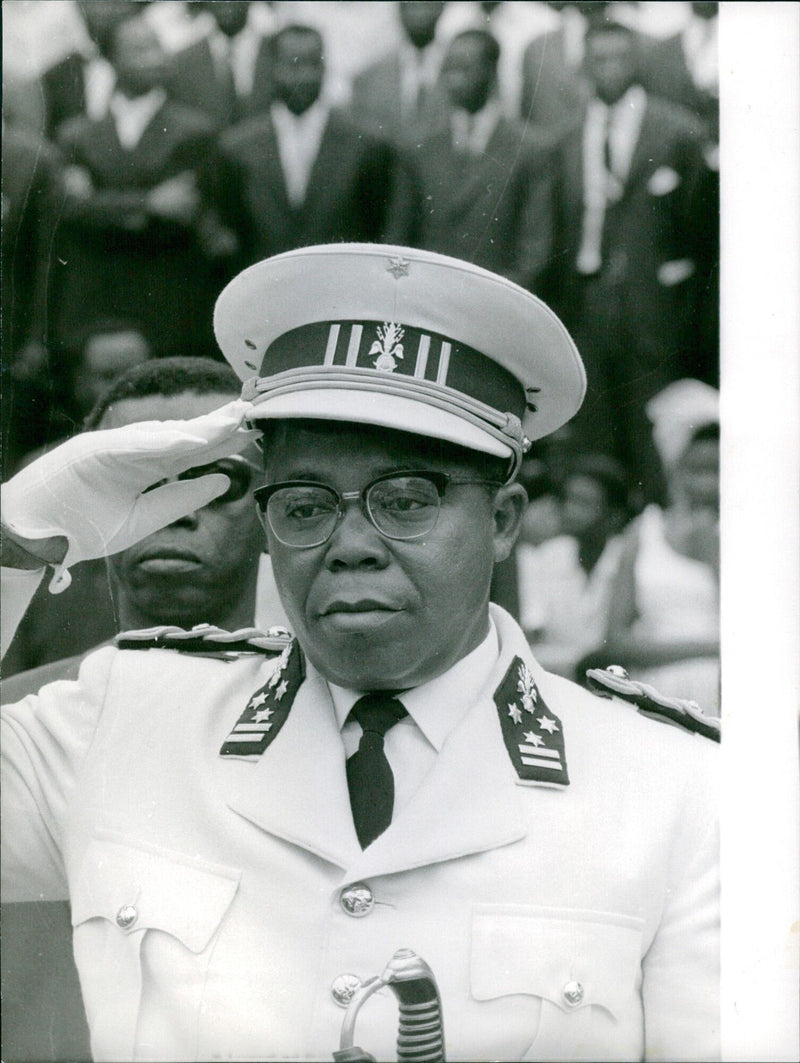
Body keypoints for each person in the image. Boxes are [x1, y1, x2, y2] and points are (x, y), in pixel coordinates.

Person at [1, 243, 719, 1062]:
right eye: (304, 506)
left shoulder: (675, 789)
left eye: (406, 499)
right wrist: (16, 536)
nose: (350, 546)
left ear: (506, 518)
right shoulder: (125, 719)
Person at [2, 357, 271, 687]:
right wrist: (14, 543)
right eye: (136, 485)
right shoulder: (24, 707)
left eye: (221, 479)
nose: (176, 514)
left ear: (272, 505)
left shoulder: (332, 704)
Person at [547, 16, 710, 501]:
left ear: (637, 61)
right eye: (599, 59)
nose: (610, 69)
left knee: (650, 441)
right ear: (584, 66)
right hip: (588, 306)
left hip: (653, 313)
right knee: (596, 440)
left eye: (620, 58)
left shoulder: (677, 132)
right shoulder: (566, 138)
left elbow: (700, 236)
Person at [52, 14, 220, 359]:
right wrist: (149, 204)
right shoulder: (77, 136)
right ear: (110, 58)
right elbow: (68, 211)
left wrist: (100, 203)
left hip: (167, 307)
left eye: (158, 46)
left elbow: (182, 215)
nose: (155, 57)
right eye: (139, 49)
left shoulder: (194, 132)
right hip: (98, 307)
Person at [214, 24, 412, 267]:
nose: (303, 77)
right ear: (273, 68)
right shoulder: (238, 148)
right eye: (293, 65)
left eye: (312, 65)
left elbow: (378, 229)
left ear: (325, 68)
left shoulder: (364, 146)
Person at [601, 379, 720, 717]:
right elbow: (615, 640)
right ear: (676, 468)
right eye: (697, 470)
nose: (708, 483)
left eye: (718, 470)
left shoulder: (746, 534)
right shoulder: (645, 530)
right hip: (658, 696)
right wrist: (713, 647)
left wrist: (714, 557)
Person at [404, 29, 554, 291]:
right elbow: (402, 237)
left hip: (498, 300)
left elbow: (536, 247)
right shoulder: (421, 147)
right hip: (429, 296)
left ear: (491, 72)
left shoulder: (531, 148)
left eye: (465, 69)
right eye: (449, 69)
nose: (454, 80)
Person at [517, 454, 631, 679]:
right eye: (568, 500)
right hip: (555, 681)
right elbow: (532, 637)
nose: (570, 511)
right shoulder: (546, 555)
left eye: (584, 503)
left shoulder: (627, 558)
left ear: (614, 515)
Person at [349, 1, 451, 149]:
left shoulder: (457, 68)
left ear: (441, 7)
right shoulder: (369, 78)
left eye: (427, 5)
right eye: (411, 6)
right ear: (399, 10)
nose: (420, 14)